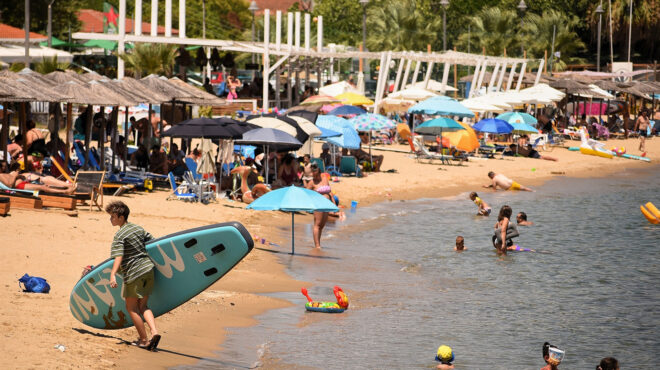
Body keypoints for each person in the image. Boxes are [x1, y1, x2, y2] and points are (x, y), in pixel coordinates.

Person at [105, 201, 161, 351]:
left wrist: (112, 274)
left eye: (112, 216)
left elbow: (118, 256)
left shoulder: (119, 235)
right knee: (143, 305)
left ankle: (144, 340)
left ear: (121, 217)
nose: (110, 219)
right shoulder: (138, 228)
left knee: (131, 308)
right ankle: (154, 332)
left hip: (134, 273)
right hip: (148, 269)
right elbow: (153, 241)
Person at [0, 164, 76, 194]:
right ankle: (65, 191)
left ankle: (69, 185)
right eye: (2, 166)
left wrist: (15, 174)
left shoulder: (2, 174)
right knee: (43, 187)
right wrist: (14, 175)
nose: (3, 168)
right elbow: (9, 185)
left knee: (43, 178)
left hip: (21, 179)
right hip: (18, 186)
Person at [305, 163, 330, 249]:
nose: (314, 172)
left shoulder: (325, 178)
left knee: (322, 225)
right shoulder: (312, 182)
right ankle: (317, 246)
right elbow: (306, 194)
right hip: (318, 204)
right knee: (317, 224)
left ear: (319, 169)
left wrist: (334, 204)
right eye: (312, 171)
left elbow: (330, 192)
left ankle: (318, 243)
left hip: (326, 204)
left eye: (315, 170)